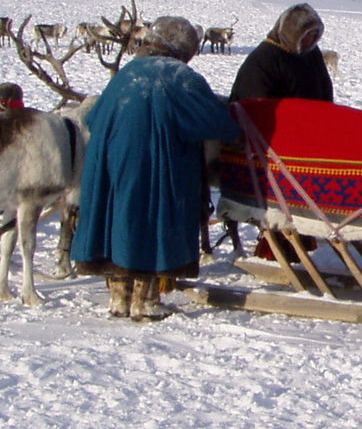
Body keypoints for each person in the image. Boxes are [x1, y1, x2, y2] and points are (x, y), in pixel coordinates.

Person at [71, 16, 240, 320]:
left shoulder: (127, 73)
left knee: (118, 221)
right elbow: (215, 123)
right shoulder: (178, 76)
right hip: (154, 163)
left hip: (109, 162)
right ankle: (145, 301)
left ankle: (119, 299)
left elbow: (94, 119)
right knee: (151, 222)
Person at [229, 3, 334, 103]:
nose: (310, 39)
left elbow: (324, 90)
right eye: (306, 34)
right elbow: (253, 106)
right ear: (291, 33)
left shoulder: (311, 54)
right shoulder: (263, 60)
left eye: (314, 34)